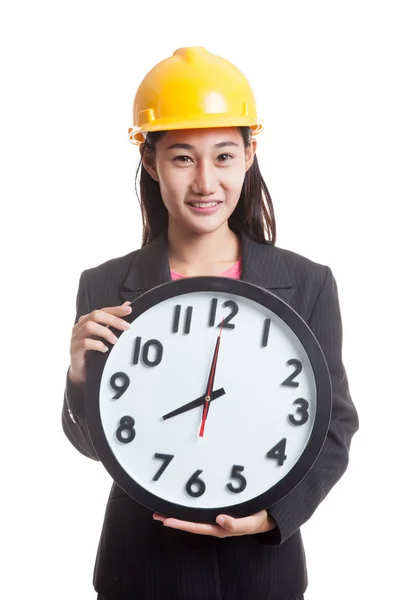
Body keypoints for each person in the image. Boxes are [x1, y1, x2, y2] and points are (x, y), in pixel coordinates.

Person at [61, 46, 359, 600]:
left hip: (261, 574)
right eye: (182, 158)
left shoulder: (308, 282)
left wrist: (273, 516)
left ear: (249, 155)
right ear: (150, 162)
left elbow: (335, 426)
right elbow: (90, 443)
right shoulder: (104, 286)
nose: (205, 182)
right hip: (143, 573)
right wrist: (81, 376)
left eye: (223, 156)